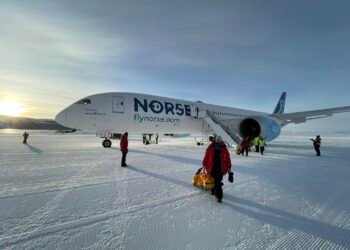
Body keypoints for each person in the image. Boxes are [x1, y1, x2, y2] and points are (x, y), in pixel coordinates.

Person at [202, 136, 232, 203]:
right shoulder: (210, 147)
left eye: (219, 140)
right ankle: (213, 190)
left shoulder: (224, 148)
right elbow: (206, 156)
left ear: (221, 140)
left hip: (220, 168)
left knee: (218, 182)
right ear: (215, 140)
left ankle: (219, 196)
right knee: (212, 180)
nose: (218, 141)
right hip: (211, 167)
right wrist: (204, 163)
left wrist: (229, 166)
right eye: (217, 139)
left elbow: (228, 158)